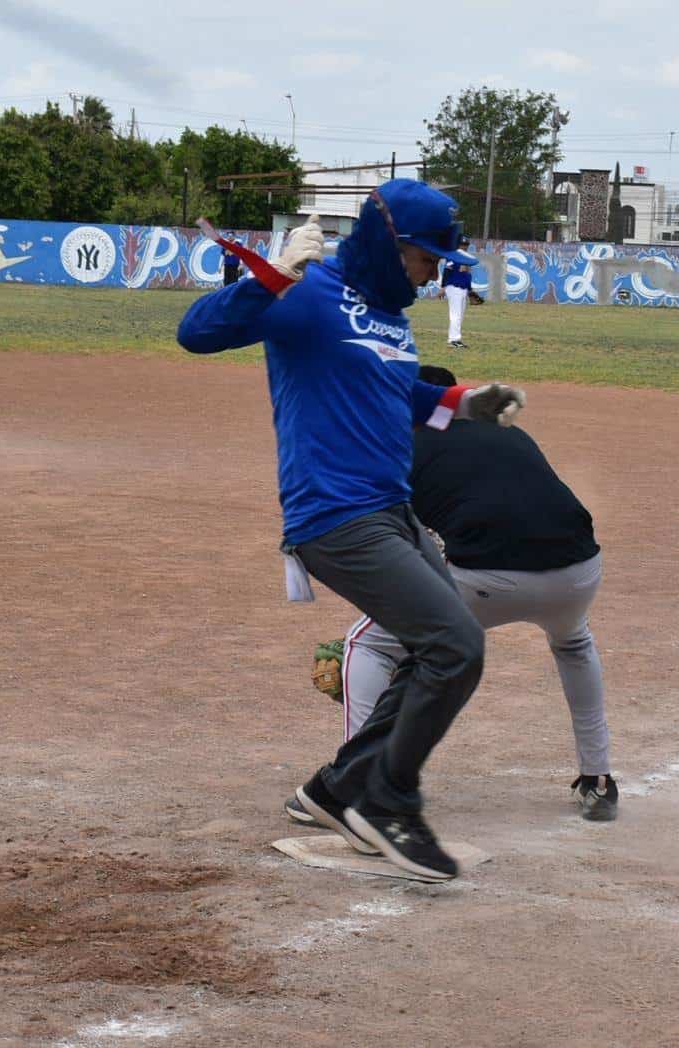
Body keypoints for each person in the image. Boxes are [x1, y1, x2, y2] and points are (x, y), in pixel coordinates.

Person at [178, 179, 525, 881]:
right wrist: (277, 280)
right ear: (389, 245)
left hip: (392, 513)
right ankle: (388, 803)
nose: (432, 277)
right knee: (455, 646)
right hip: (336, 519)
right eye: (426, 261)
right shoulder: (307, 297)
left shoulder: (389, 316)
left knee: (440, 642)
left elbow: (400, 398)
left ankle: (337, 791)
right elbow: (196, 333)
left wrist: (461, 403)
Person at [288, 364, 617, 823]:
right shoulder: (508, 434)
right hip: (580, 573)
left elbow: (392, 554)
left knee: (366, 644)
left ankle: (357, 786)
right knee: (574, 644)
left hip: (489, 579)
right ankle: (598, 779)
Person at [439, 235, 476, 348]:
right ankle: (453, 340)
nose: (464, 247)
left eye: (466, 245)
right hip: (453, 288)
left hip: (463, 289)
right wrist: (442, 287)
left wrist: (470, 291)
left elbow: (467, 276)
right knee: (455, 314)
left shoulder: (467, 258)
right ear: (457, 245)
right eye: (462, 245)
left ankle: (456, 339)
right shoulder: (453, 257)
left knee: (460, 315)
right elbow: (447, 272)